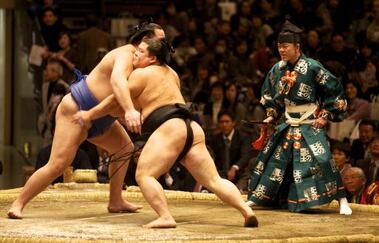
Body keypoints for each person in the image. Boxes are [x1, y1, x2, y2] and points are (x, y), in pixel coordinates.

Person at [75, 37, 258, 228]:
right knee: (213, 179)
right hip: (191, 128)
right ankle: (246, 211)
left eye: (142, 51)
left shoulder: (141, 74)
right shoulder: (172, 74)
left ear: (153, 58)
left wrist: (90, 114)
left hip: (170, 128)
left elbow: (115, 100)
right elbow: (150, 100)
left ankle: (165, 216)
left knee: (144, 175)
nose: (135, 53)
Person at [7, 22, 165, 219]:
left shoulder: (148, 65)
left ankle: (115, 200)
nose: (164, 44)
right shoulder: (126, 54)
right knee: (58, 164)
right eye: (160, 40)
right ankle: (18, 203)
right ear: (144, 41)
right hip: (77, 108)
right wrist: (129, 110)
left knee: (124, 149)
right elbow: (117, 82)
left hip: (103, 118)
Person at [247, 20, 352, 215]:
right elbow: (270, 96)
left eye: (285, 46)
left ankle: (342, 200)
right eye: (279, 46)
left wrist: (326, 115)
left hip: (309, 122)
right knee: (274, 161)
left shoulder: (312, 67)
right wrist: (271, 115)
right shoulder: (277, 69)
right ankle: (257, 198)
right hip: (288, 121)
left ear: (297, 46)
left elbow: (334, 90)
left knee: (323, 160)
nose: (282, 50)